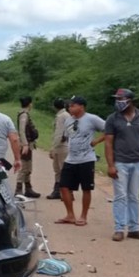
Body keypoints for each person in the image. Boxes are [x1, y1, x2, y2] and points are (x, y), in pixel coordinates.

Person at [104, 88, 139, 241]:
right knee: (120, 196)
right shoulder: (113, 119)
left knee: (134, 196)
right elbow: (108, 143)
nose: (119, 102)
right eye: (117, 99)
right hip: (120, 162)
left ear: (130, 100)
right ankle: (119, 228)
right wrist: (110, 165)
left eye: (122, 99)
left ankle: (134, 228)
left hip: (138, 162)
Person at [55, 96, 105, 226]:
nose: (70, 108)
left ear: (81, 107)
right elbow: (67, 136)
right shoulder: (68, 121)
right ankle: (70, 214)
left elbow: (109, 130)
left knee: (86, 188)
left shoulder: (92, 119)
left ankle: (83, 215)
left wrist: (97, 141)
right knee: (64, 186)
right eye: (69, 106)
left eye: (73, 106)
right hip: (71, 158)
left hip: (86, 158)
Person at [15, 96, 41, 198]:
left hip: (28, 144)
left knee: (28, 167)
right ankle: (18, 190)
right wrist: (25, 144)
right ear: (30, 104)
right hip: (25, 145)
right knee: (24, 167)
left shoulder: (23, 114)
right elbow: (22, 130)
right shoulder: (24, 115)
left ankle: (28, 188)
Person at [48, 98, 70, 199]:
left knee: (61, 170)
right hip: (62, 145)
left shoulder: (61, 116)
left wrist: (53, 148)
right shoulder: (66, 115)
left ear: (54, 106)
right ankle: (58, 190)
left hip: (61, 146)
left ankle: (64, 191)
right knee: (59, 169)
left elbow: (59, 134)